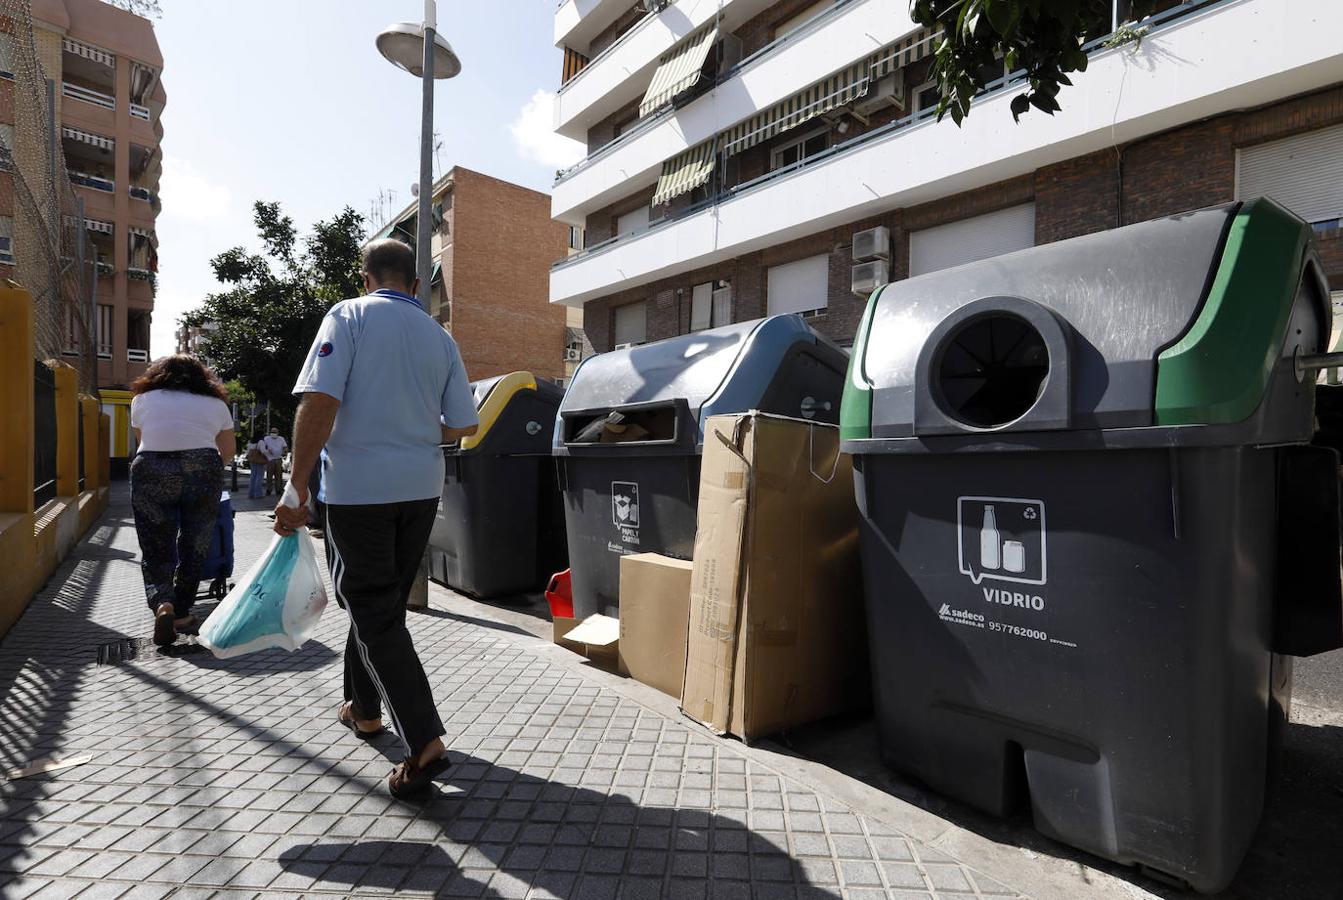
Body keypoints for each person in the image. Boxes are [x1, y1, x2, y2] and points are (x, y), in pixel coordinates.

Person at [275, 238, 478, 798]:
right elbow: (463, 424)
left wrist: (296, 488)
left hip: (360, 490)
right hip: (419, 490)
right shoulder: (441, 338)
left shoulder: (349, 315)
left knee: (372, 611)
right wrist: (412, 428)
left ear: (366, 278)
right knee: (380, 607)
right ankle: (364, 711)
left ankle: (424, 741)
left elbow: (318, 402)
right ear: (416, 285)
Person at [128, 355, 236, 647]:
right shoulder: (215, 404)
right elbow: (227, 450)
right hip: (202, 466)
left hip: (151, 467)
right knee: (196, 542)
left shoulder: (142, 400)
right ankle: (183, 611)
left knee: (154, 544)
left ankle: (163, 602)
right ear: (202, 376)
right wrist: (207, 473)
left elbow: (142, 439)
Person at [260, 426, 288, 496]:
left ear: (278, 433)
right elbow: (263, 446)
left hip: (278, 459)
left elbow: (285, 447)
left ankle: (278, 489)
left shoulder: (281, 439)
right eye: (272, 432)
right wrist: (267, 450)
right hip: (270, 459)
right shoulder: (267, 438)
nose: (273, 433)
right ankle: (269, 490)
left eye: (275, 432)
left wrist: (285, 450)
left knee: (278, 476)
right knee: (269, 476)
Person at [245, 429, 267, 499]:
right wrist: (269, 451)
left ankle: (251, 493)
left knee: (253, 477)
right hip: (259, 460)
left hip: (252, 460)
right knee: (259, 477)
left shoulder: (250, 442)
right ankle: (258, 493)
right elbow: (263, 451)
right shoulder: (260, 442)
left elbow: (248, 452)